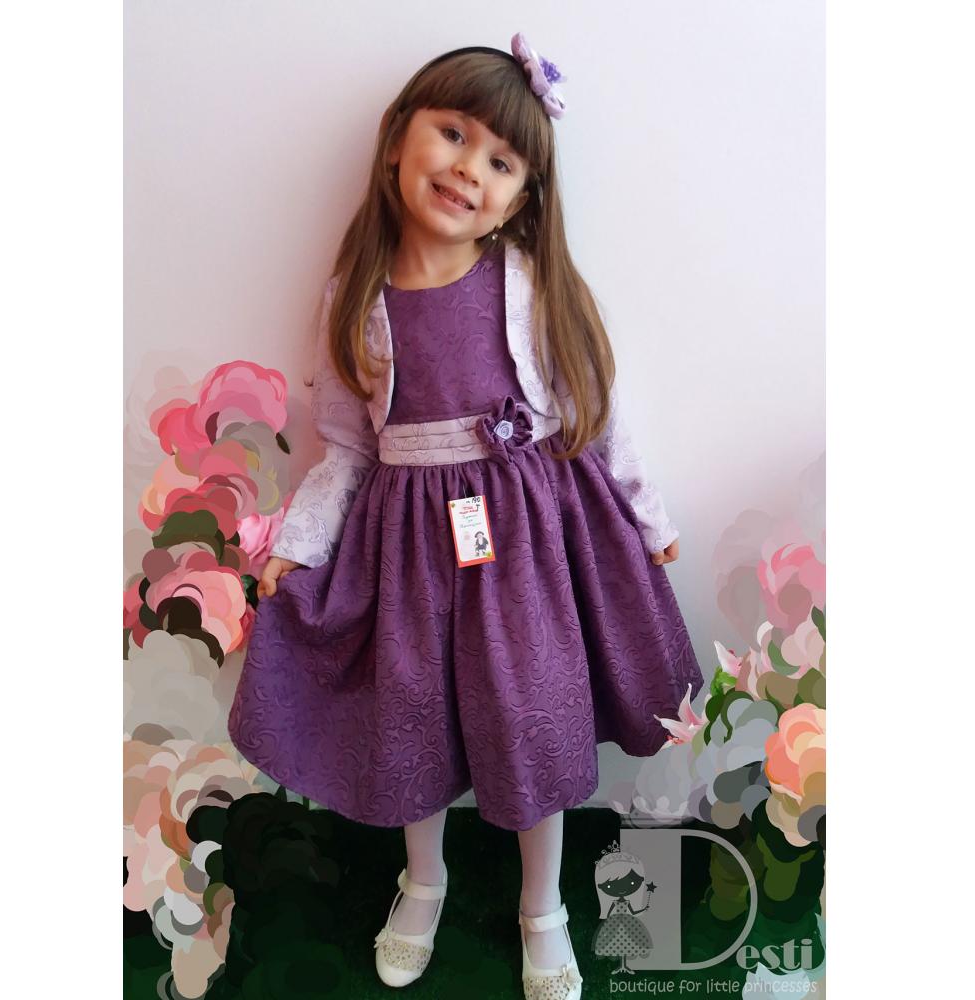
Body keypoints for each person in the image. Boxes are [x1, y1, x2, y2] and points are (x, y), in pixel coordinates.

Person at [227, 31, 705, 1000]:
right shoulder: (355, 301)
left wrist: (647, 518)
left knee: (531, 713)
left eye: (501, 161)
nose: (468, 170)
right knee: (412, 712)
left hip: (526, 548)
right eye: (452, 134)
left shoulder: (529, 287)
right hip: (405, 551)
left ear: (522, 198)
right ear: (399, 136)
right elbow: (345, 447)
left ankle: (543, 905)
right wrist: (300, 546)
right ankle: (424, 879)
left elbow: (596, 413)